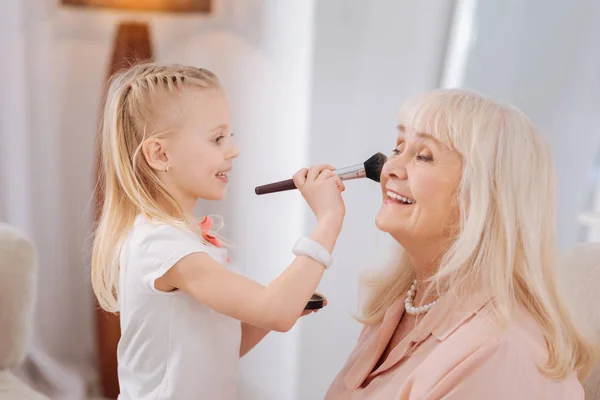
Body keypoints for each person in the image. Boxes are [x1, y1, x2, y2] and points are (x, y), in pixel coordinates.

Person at [90, 62, 345, 400]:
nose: (233, 150)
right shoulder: (163, 245)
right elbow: (275, 311)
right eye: (217, 138)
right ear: (160, 153)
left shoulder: (181, 239)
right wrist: (328, 219)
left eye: (231, 136)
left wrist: (285, 306)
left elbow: (217, 349)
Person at [325, 88, 596, 399]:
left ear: (483, 195)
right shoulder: (401, 307)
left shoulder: (499, 353)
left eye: (423, 156)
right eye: (398, 148)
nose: (391, 169)